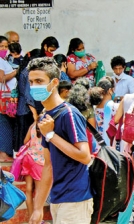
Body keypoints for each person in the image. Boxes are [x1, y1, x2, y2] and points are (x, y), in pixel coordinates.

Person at [27, 57, 92, 224]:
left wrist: (50, 135)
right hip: (58, 198)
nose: (34, 86)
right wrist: (38, 208)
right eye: (31, 81)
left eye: (39, 81)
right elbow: (48, 165)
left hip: (75, 199)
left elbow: (85, 156)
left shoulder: (69, 114)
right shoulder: (46, 116)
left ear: (54, 82)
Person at [21, 122, 45, 220]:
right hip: (40, 162)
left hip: (28, 157)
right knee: (40, 193)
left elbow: (25, 141)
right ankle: (38, 220)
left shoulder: (33, 125)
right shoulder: (48, 126)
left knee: (29, 189)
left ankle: (32, 217)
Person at [89, 77, 117, 146]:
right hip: (110, 146)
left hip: (96, 146)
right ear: (110, 90)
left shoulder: (93, 108)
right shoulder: (114, 107)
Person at [0, 57, 16, 161]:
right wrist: (16, 72)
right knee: (4, 126)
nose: (4, 49)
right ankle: (4, 155)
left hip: (7, 100)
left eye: (6, 47)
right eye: (2, 46)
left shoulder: (5, 60)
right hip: (4, 100)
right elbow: (2, 78)